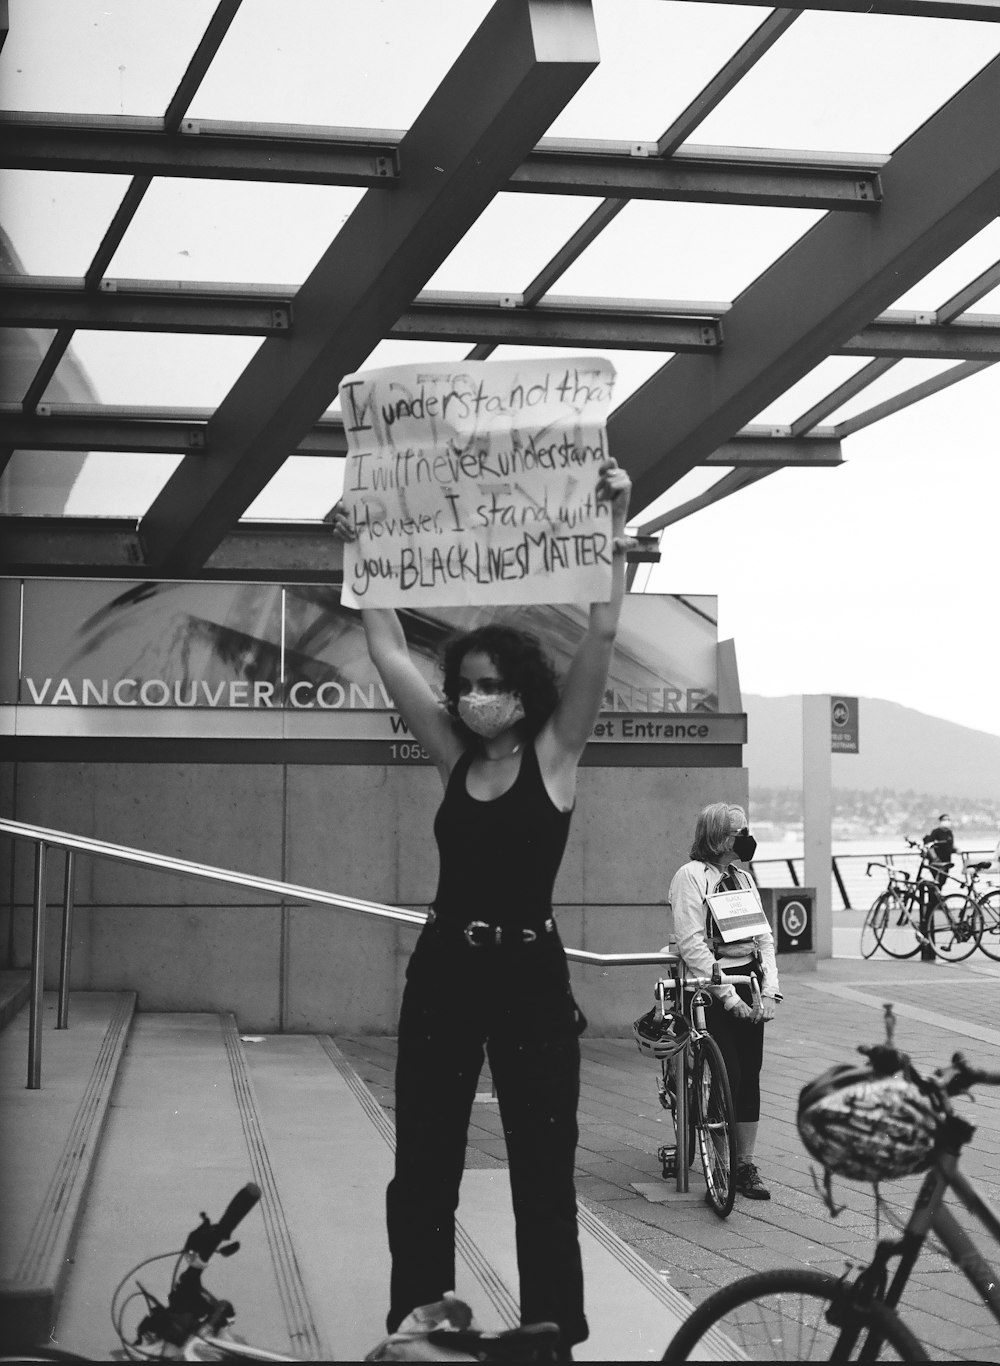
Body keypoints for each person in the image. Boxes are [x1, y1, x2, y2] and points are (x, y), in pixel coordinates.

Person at [330, 458, 632, 1355]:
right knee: (423, 1158)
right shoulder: (453, 754)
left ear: (523, 691)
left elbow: (603, 635)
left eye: (491, 683)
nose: (472, 697)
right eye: (465, 683)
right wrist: (360, 548)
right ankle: (419, 1317)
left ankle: (550, 1330)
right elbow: (389, 651)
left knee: (543, 1166)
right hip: (446, 970)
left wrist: (615, 520)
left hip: (531, 975)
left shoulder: (555, 754)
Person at [666, 802, 781, 1201]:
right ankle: (723, 1164)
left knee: (750, 1076)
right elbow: (692, 944)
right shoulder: (690, 878)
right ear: (718, 837)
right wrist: (728, 997)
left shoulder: (742, 878)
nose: (747, 838)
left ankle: (745, 1164)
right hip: (709, 989)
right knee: (726, 1075)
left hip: (748, 982)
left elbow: (764, 937)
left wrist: (768, 990)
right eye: (740, 832)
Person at [923, 813, 955, 889]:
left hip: (946, 861)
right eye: (944, 820)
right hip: (937, 862)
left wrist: (956, 849)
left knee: (943, 881)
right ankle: (934, 900)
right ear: (940, 821)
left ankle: (938, 899)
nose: (946, 821)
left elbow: (950, 844)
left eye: (948, 819)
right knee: (937, 882)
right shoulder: (936, 832)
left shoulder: (949, 832)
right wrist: (935, 858)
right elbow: (929, 845)